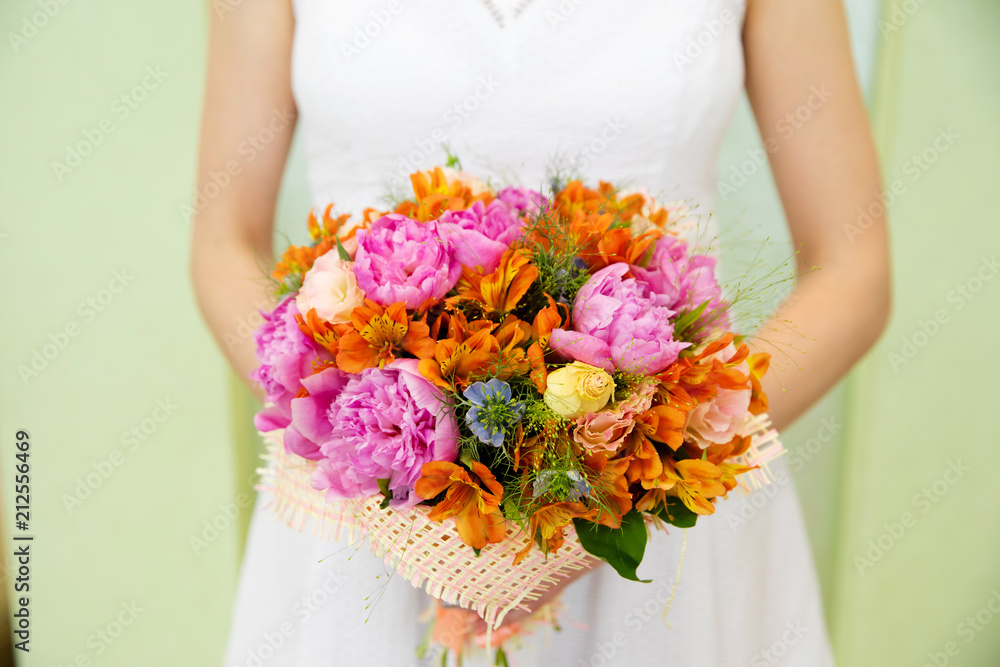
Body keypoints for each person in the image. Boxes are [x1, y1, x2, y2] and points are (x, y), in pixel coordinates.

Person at [190, 0, 890, 664]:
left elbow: (852, 268)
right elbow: (223, 243)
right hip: (357, 511)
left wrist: (639, 463)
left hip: (665, 510)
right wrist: (362, 439)